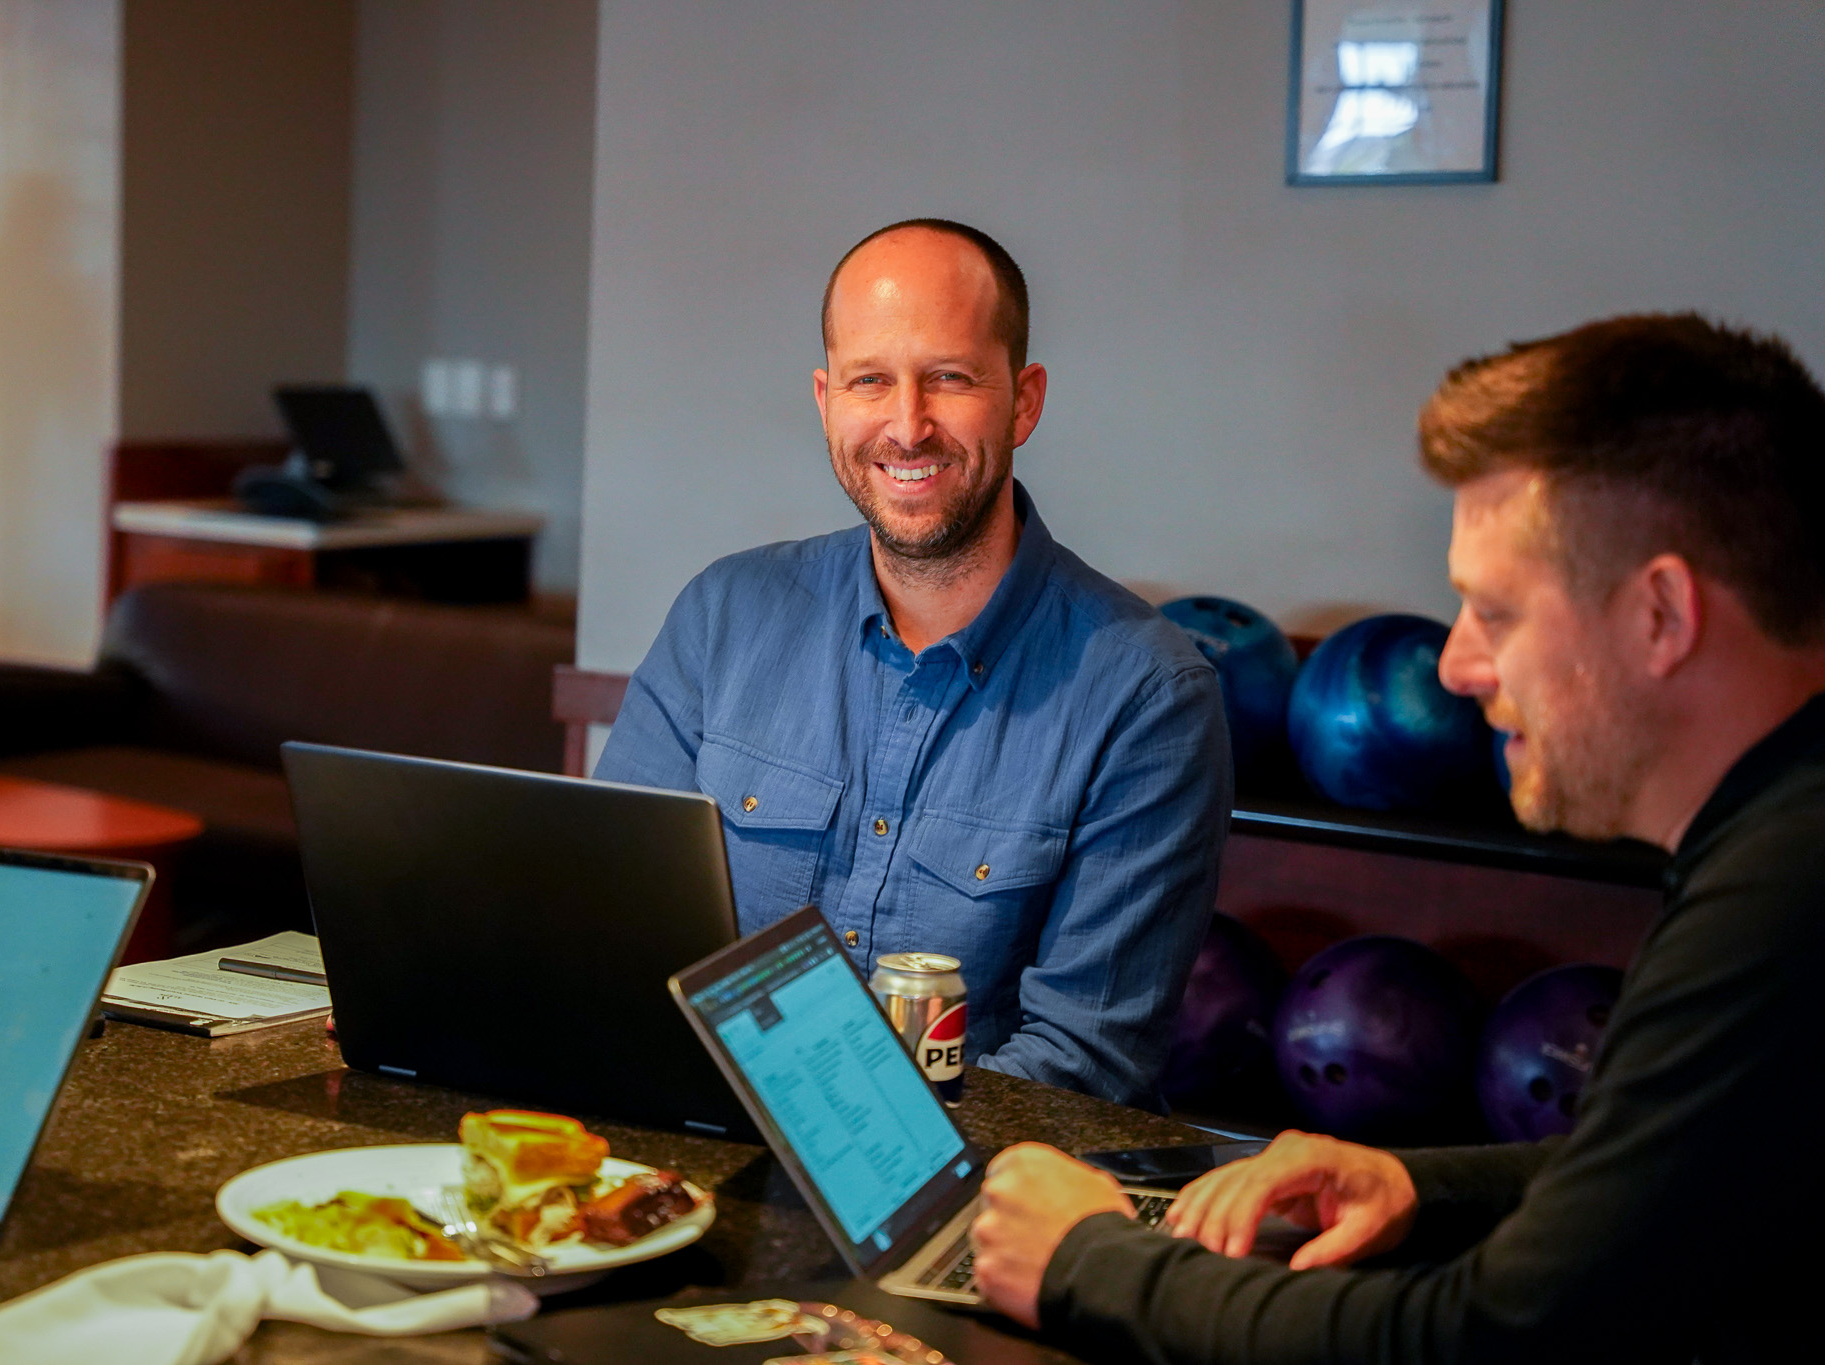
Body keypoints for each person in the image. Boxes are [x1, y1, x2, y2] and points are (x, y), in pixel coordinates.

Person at [971, 312, 1825, 1363]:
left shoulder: (1781, 902)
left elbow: (1482, 1338)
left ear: (1659, 614)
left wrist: (1085, 1263)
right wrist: (1416, 1181)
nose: (1458, 667)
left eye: (1494, 612)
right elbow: (1668, 1177)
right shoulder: (1777, 838)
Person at [595, 220, 1231, 1108]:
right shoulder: (724, 615)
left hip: (976, 1203)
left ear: (1025, 400)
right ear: (825, 400)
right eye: (869, 381)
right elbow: (613, 926)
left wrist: (841, 1143)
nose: (906, 425)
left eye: (950, 377)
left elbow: (1083, 1062)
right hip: (700, 1151)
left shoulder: (1148, 696)